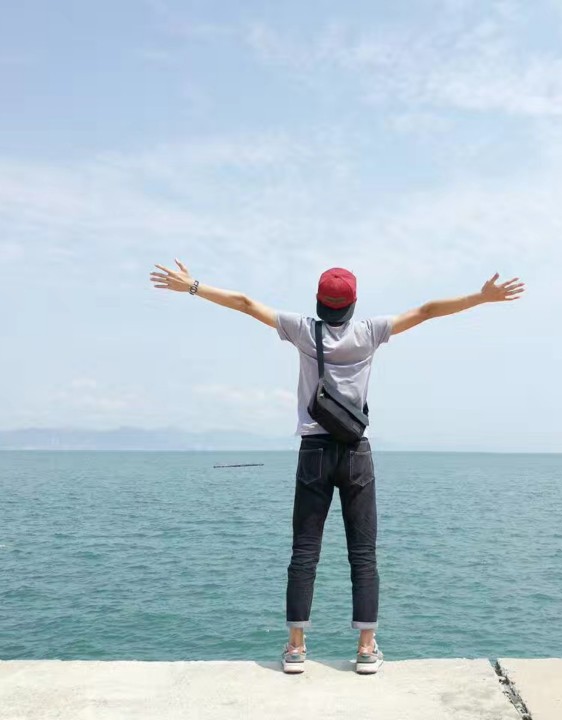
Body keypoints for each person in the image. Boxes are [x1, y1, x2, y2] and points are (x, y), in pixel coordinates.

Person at [150, 259, 525, 674]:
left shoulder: (302, 330)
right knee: (363, 554)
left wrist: (193, 286)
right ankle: (365, 649)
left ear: (319, 301)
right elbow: (426, 310)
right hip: (355, 451)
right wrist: (481, 297)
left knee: (304, 551)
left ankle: (296, 648)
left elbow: (244, 302)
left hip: (313, 449)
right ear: (353, 303)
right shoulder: (369, 332)